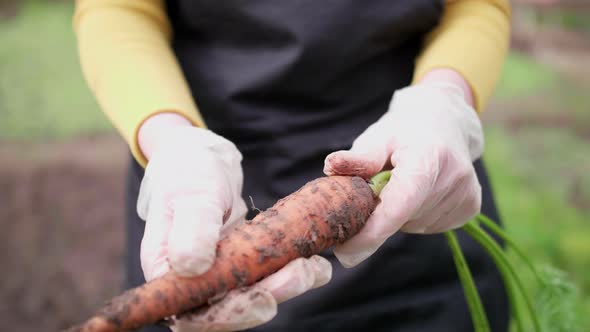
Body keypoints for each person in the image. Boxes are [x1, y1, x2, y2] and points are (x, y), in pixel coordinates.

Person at [73, 1, 511, 331]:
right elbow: (116, 10)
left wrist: (444, 98)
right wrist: (169, 137)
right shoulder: (182, 154)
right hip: (200, 180)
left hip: (416, 167)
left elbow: (475, 6)